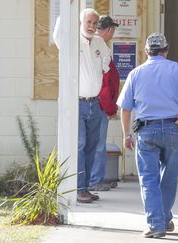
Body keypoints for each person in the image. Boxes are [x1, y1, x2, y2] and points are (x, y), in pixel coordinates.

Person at [117, 32, 178, 238]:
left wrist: (126, 134)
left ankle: (156, 224)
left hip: (147, 130)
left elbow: (125, 108)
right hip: (173, 128)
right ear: (166, 50)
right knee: (169, 177)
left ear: (146, 51)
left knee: (149, 179)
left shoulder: (135, 73)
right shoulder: (177, 69)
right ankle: (165, 218)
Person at [53, 8, 111, 203]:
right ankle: (78, 189)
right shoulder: (71, 40)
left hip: (95, 104)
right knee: (79, 144)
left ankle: (84, 187)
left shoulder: (99, 42)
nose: (92, 26)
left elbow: (107, 60)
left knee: (92, 147)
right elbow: (57, 34)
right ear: (80, 22)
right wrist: (64, 9)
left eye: (95, 23)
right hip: (77, 103)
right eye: (88, 22)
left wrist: (102, 66)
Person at [89, 15, 120, 191]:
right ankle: (95, 181)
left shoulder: (96, 46)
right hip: (100, 105)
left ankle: (95, 178)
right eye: (112, 30)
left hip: (98, 103)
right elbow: (104, 85)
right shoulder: (100, 49)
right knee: (98, 145)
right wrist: (109, 108)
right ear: (109, 30)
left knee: (95, 144)